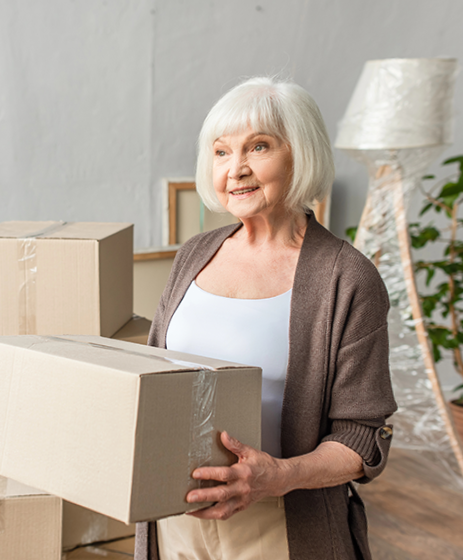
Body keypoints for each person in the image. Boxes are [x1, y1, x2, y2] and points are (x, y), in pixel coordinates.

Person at [134, 76, 397, 560]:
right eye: (220, 152)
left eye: (258, 147)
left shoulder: (347, 277)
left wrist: (276, 477)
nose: (236, 169)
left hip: (282, 525)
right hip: (174, 516)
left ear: (301, 154)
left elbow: (361, 435)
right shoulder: (193, 254)